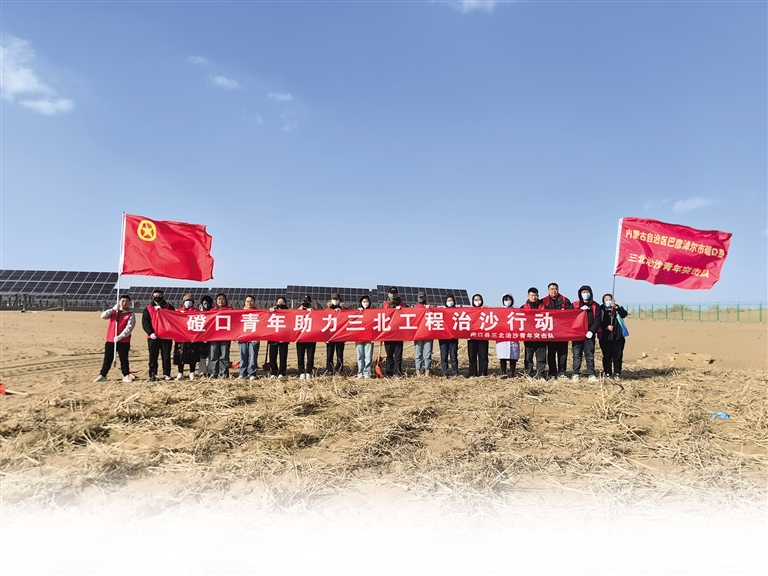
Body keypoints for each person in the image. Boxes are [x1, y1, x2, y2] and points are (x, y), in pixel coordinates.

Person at [95, 295, 136, 383]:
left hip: (123, 341)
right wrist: (112, 309)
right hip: (110, 339)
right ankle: (103, 375)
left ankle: (126, 375)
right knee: (107, 358)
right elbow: (103, 316)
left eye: (126, 301)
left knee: (124, 359)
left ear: (129, 303)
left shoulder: (130, 314)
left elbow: (129, 328)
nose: (124, 303)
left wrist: (120, 336)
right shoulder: (114, 312)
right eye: (123, 301)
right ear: (119, 302)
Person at [142, 289, 175, 382]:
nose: (158, 297)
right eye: (156, 295)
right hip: (153, 337)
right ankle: (153, 375)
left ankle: (167, 374)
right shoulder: (148, 308)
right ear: (152, 296)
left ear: (163, 296)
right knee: (153, 357)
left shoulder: (169, 307)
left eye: (160, 295)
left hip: (166, 337)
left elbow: (173, 320)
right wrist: (150, 333)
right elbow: (145, 322)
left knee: (166, 356)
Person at [541, 283, 572, 380]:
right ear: (548, 291)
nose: (554, 291)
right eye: (552, 289)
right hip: (550, 332)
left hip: (562, 332)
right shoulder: (543, 301)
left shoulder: (565, 301)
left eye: (555, 289)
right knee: (551, 353)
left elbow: (571, 313)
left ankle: (562, 372)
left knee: (563, 353)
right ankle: (552, 373)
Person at [571, 285, 602, 381]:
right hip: (577, 334)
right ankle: (575, 373)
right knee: (577, 355)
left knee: (589, 355)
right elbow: (569, 317)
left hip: (589, 334)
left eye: (587, 292)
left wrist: (592, 331)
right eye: (583, 292)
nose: (585, 294)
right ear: (580, 294)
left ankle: (591, 373)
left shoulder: (595, 305)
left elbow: (598, 320)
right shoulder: (574, 305)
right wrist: (579, 310)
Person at [599, 293, 628, 379]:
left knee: (617, 356)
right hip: (605, 337)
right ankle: (607, 372)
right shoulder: (600, 310)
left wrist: (616, 307)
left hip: (617, 336)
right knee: (607, 356)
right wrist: (606, 326)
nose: (607, 301)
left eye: (609, 299)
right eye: (606, 300)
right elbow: (598, 321)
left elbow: (624, 314)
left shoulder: (617, 309)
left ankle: (617, 373)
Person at [520, 288, 547, 381]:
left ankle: (540, 374)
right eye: (532, 295)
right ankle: (529, 373)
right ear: (528, 296)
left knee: (541, 357)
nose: (534, 297)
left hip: (541, 336)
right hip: (529, 336)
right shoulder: (523, 307)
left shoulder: (543, 307)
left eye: (536, 295)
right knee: (528, 356)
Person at [174, 294, 200, 380]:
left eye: (190, 301)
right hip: (181, 338)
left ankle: (192, 373)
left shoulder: (197, 312)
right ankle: (180, 373)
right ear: (183, 302)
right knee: (180, 355)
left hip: (193, 337)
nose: (188, 302)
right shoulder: (178, 311)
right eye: (186, 301)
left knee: (193, 356)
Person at [382, 287, 407, 377]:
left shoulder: (403, 305)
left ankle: (397, 372)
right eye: (391, 293)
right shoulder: (383, 305)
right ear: (388, 294)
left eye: (394, 293)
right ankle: (389, 372)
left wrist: (402, 310)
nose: (393, 295)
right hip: (388, 334)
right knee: (389, 355)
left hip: (399, 334)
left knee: (398, 355)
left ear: (397, 294)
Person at [209, 293, 233, 379]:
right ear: (216, 301)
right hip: (214, 337)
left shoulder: (230, 310)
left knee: (224, 356)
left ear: (226, 301)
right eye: (219, 299)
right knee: (213, 356)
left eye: (223, 299)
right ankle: (213, 373)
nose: (221, 301)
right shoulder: (212, 311)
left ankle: (224, 373)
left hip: (225, 337)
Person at [496, 294, 520, 378]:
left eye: (509, 299)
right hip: (502, 337)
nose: (507, 301)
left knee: (513, 356)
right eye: (505, 299)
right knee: (502, 356)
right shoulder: (498, 311)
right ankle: (503, 372)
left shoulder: (516, 311)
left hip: (513, 336)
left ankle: (512, 372)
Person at [324, 292, 346, 376]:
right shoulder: (327, 310)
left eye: (337, 299)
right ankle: (329, 369)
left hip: (340, 335)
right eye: (334, 299)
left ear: (340, 300)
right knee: (329, 353)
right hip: (330, 335)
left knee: (340, 353)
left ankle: (339, 369)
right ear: (331, 300)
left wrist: (341, 312)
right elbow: (323, 321)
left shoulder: (344, 310)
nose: (335, 301)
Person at [238, 295, 260, 380]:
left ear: (254, 302)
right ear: (244, 302)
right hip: (242, 338)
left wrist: (258, 337)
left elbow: (261, 325)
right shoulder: (239, 313)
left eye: (251, 301)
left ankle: (252, 373)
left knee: (253, 356)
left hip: (254, 338)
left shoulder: (259, 313)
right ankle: (242, 373)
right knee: (243, 356)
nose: (249, 303)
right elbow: (236, 325)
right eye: (247, 301)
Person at [467, 293, 489, 377]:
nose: (477, 301)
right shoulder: (469, 311)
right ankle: (472, 374)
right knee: (472, 356)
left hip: (483, 336)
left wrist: (488, 310)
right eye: (475, 300)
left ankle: (483, 373)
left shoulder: (485, 310)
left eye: (479, 299)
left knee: (483, 356)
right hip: (472, 336)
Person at [268, 296, 290, 378]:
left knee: (283, 356)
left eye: (282, 302)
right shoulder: (272, 311)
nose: (281, 304)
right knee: (272, 356)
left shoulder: (289, 312)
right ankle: (274, 371)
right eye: (279, 302)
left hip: (284, 337)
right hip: (273, 337)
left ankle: (282, 372)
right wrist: (270, 311)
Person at [413, 291, 433, 376]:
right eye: (420, 297)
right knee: (418, 354)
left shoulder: (430, 308)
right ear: (417, 298)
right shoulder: (414, 309)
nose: (421, 299)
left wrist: (430, 309)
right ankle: (418, 370)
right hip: (418, 335)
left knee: (428, 354)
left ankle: (427, 370)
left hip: (428, 335)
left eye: (422, 297)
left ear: (425, 298)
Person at [296, 295, 316, 380]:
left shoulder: (314, 311)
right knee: (300, 355)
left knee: (310, 355)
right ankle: (301, 371)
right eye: (304, 301)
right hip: (300, 337)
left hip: (311, 337)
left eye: (307, 301)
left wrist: (313, 312)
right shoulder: (297, 311)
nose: (306, 303)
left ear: (310, 302)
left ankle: (309, 371)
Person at [439, 294, 459, 377]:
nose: (450, 302)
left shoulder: (458, 311)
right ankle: (445, 372)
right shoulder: (441, 310)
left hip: (453, 337)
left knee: (453, 356)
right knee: (444, 356)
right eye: (448, 301)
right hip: (443, 337)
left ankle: (455, 372)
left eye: (451, 300)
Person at [355, 295, 374, 379]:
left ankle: (367, 372)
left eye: (367, 301)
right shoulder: (357, 312)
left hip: (369, 337)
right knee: (360, 356)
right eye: (364, 302)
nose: (365, 303)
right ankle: (360, 372)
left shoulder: (372, 312)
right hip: (359, 338)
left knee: (368, 356)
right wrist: (357, 312)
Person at [198, 295, 213, 377]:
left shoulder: (214, 313)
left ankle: (210, 370)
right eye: (204, 303)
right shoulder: (198, 313)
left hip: (212, 337)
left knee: (212, 355)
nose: (206, 305)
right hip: (201, 338)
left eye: (208, 303)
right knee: (201, 356)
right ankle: (202, 371)